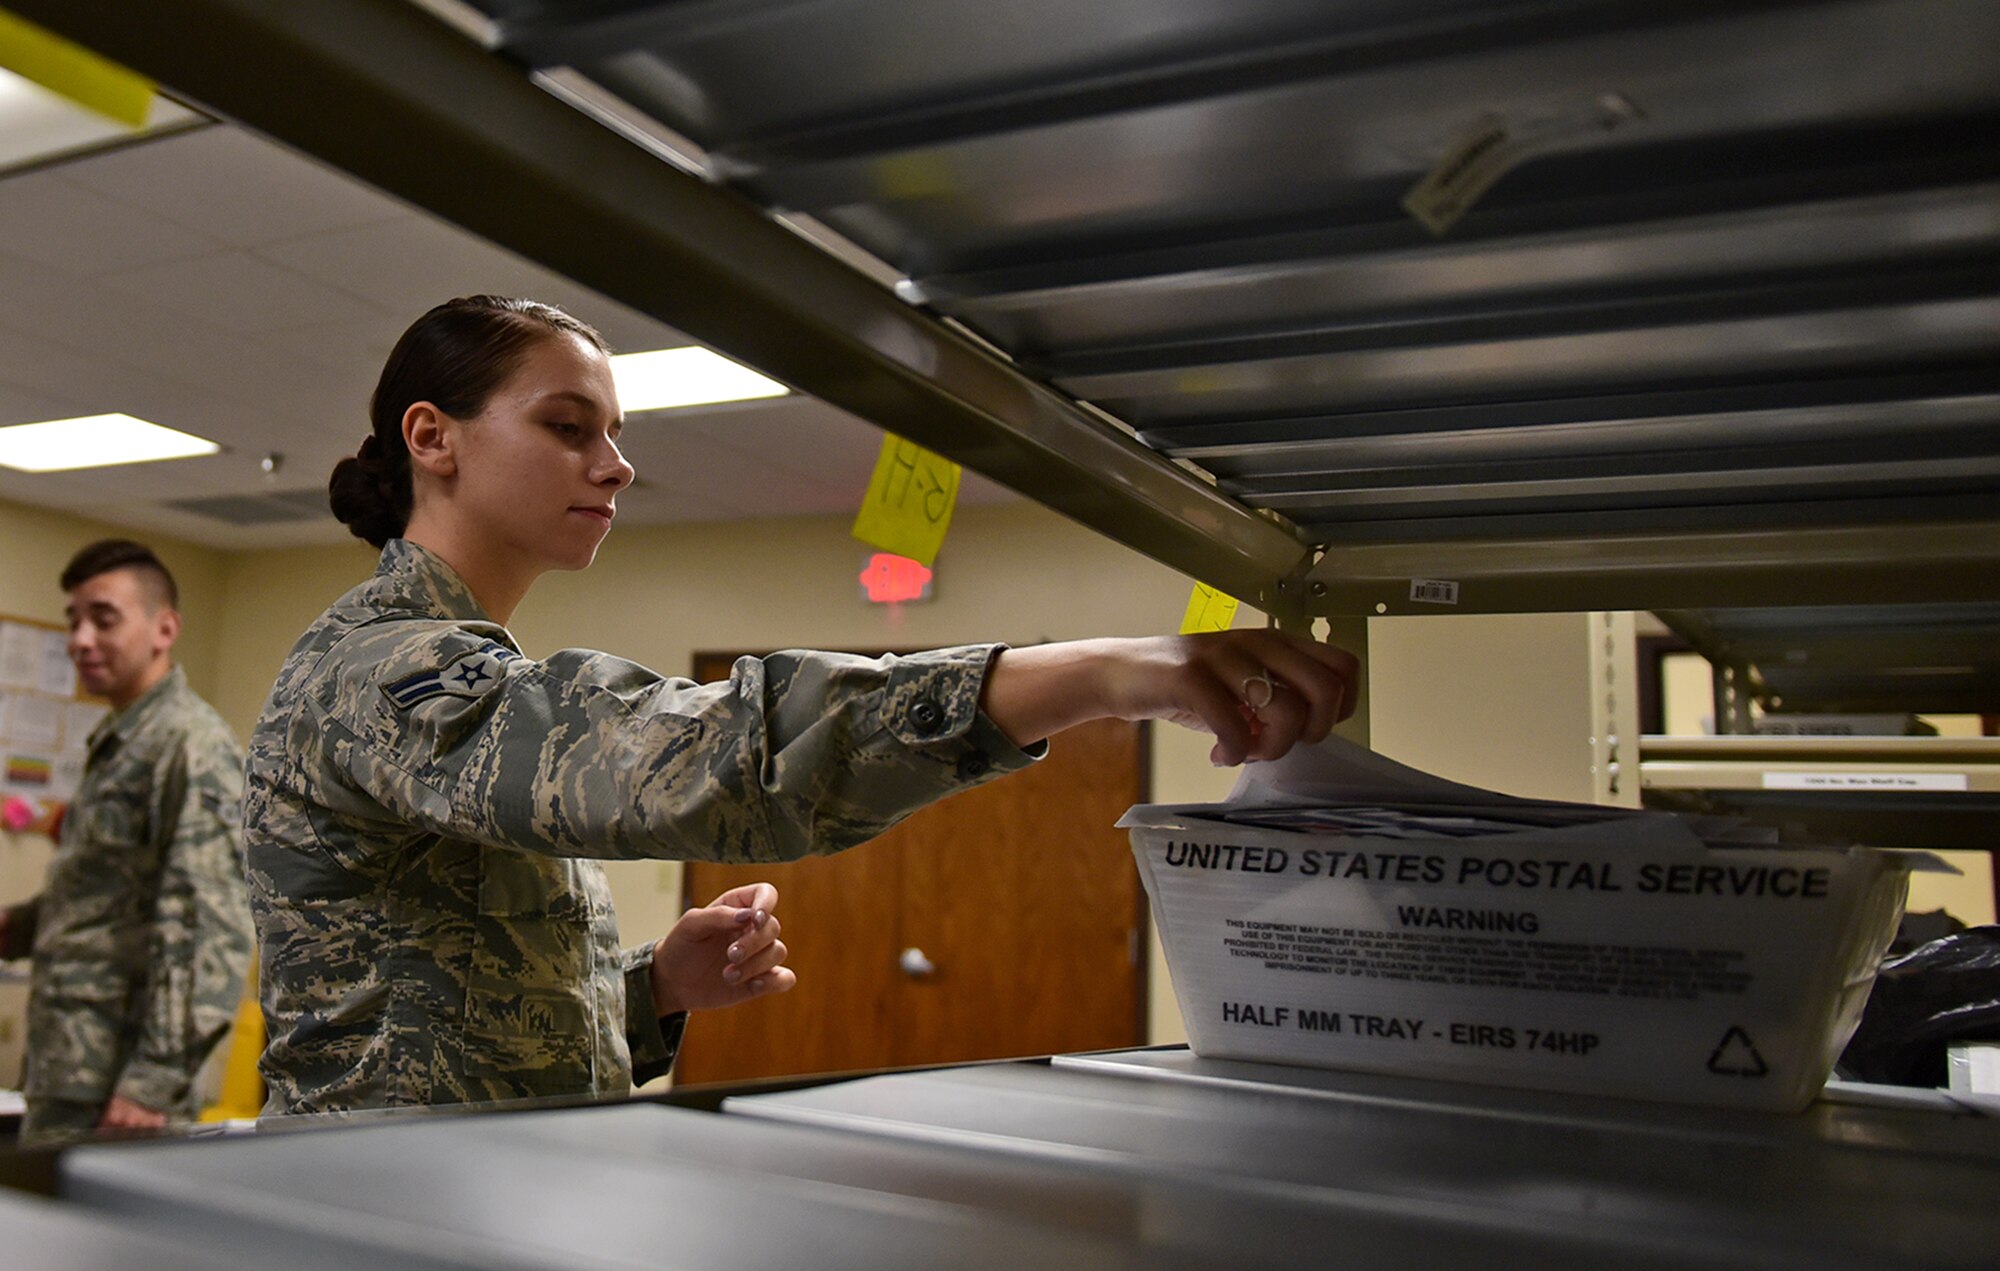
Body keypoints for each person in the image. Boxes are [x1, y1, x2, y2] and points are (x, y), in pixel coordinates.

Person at [248, 295, 1358, 1117]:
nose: (617, 465)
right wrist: (1103, 673)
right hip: (379, 1206)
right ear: (432, 438)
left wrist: (652, 992)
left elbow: (427, 1013)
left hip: (467, 1197)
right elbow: (699, 761)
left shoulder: (455, 666)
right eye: (569, 427)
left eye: (617, 433)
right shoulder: (380, 670)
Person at [0, 541, 254, 1147]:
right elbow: (104, 896)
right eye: (73, 620)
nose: (80, 639)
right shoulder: (121, 741)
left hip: (122, 1088)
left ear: (164, 628)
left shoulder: (188, 745)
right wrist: (17, 925)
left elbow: (208, 923)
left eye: (103, 618)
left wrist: (152, 1083)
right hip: (70, 1068)